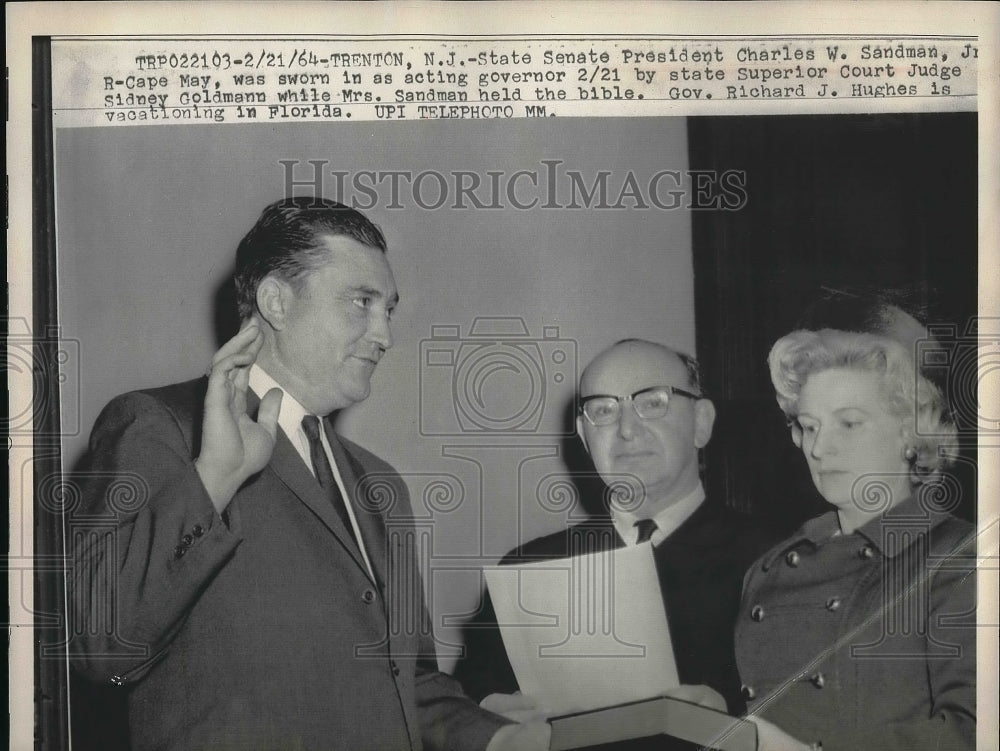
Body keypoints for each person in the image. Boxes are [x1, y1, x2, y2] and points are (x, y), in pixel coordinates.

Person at [68, 197, 548, 751]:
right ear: (275, 300)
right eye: (361, 303)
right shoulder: (160, 426)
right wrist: (212, 481)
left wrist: (496, 739)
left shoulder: (379, 483)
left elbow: (407, 685)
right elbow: (99, 648)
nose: (384, 335)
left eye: (387, 309)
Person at [456, 339, 779, 717]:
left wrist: (734, 716)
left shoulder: (776, 558)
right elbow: (465, 702)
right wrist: (487, 714)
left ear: (701, 422)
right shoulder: (528, 568)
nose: (627, 429)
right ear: (584, 435)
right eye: (604, 410)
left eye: (652, 403)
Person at [727, 325, 976, 749]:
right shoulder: (765, 570)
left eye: (849, 423)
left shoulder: (962, 558)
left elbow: (974, 734)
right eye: (808, 426)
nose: (819, 447)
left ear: (909, 433)